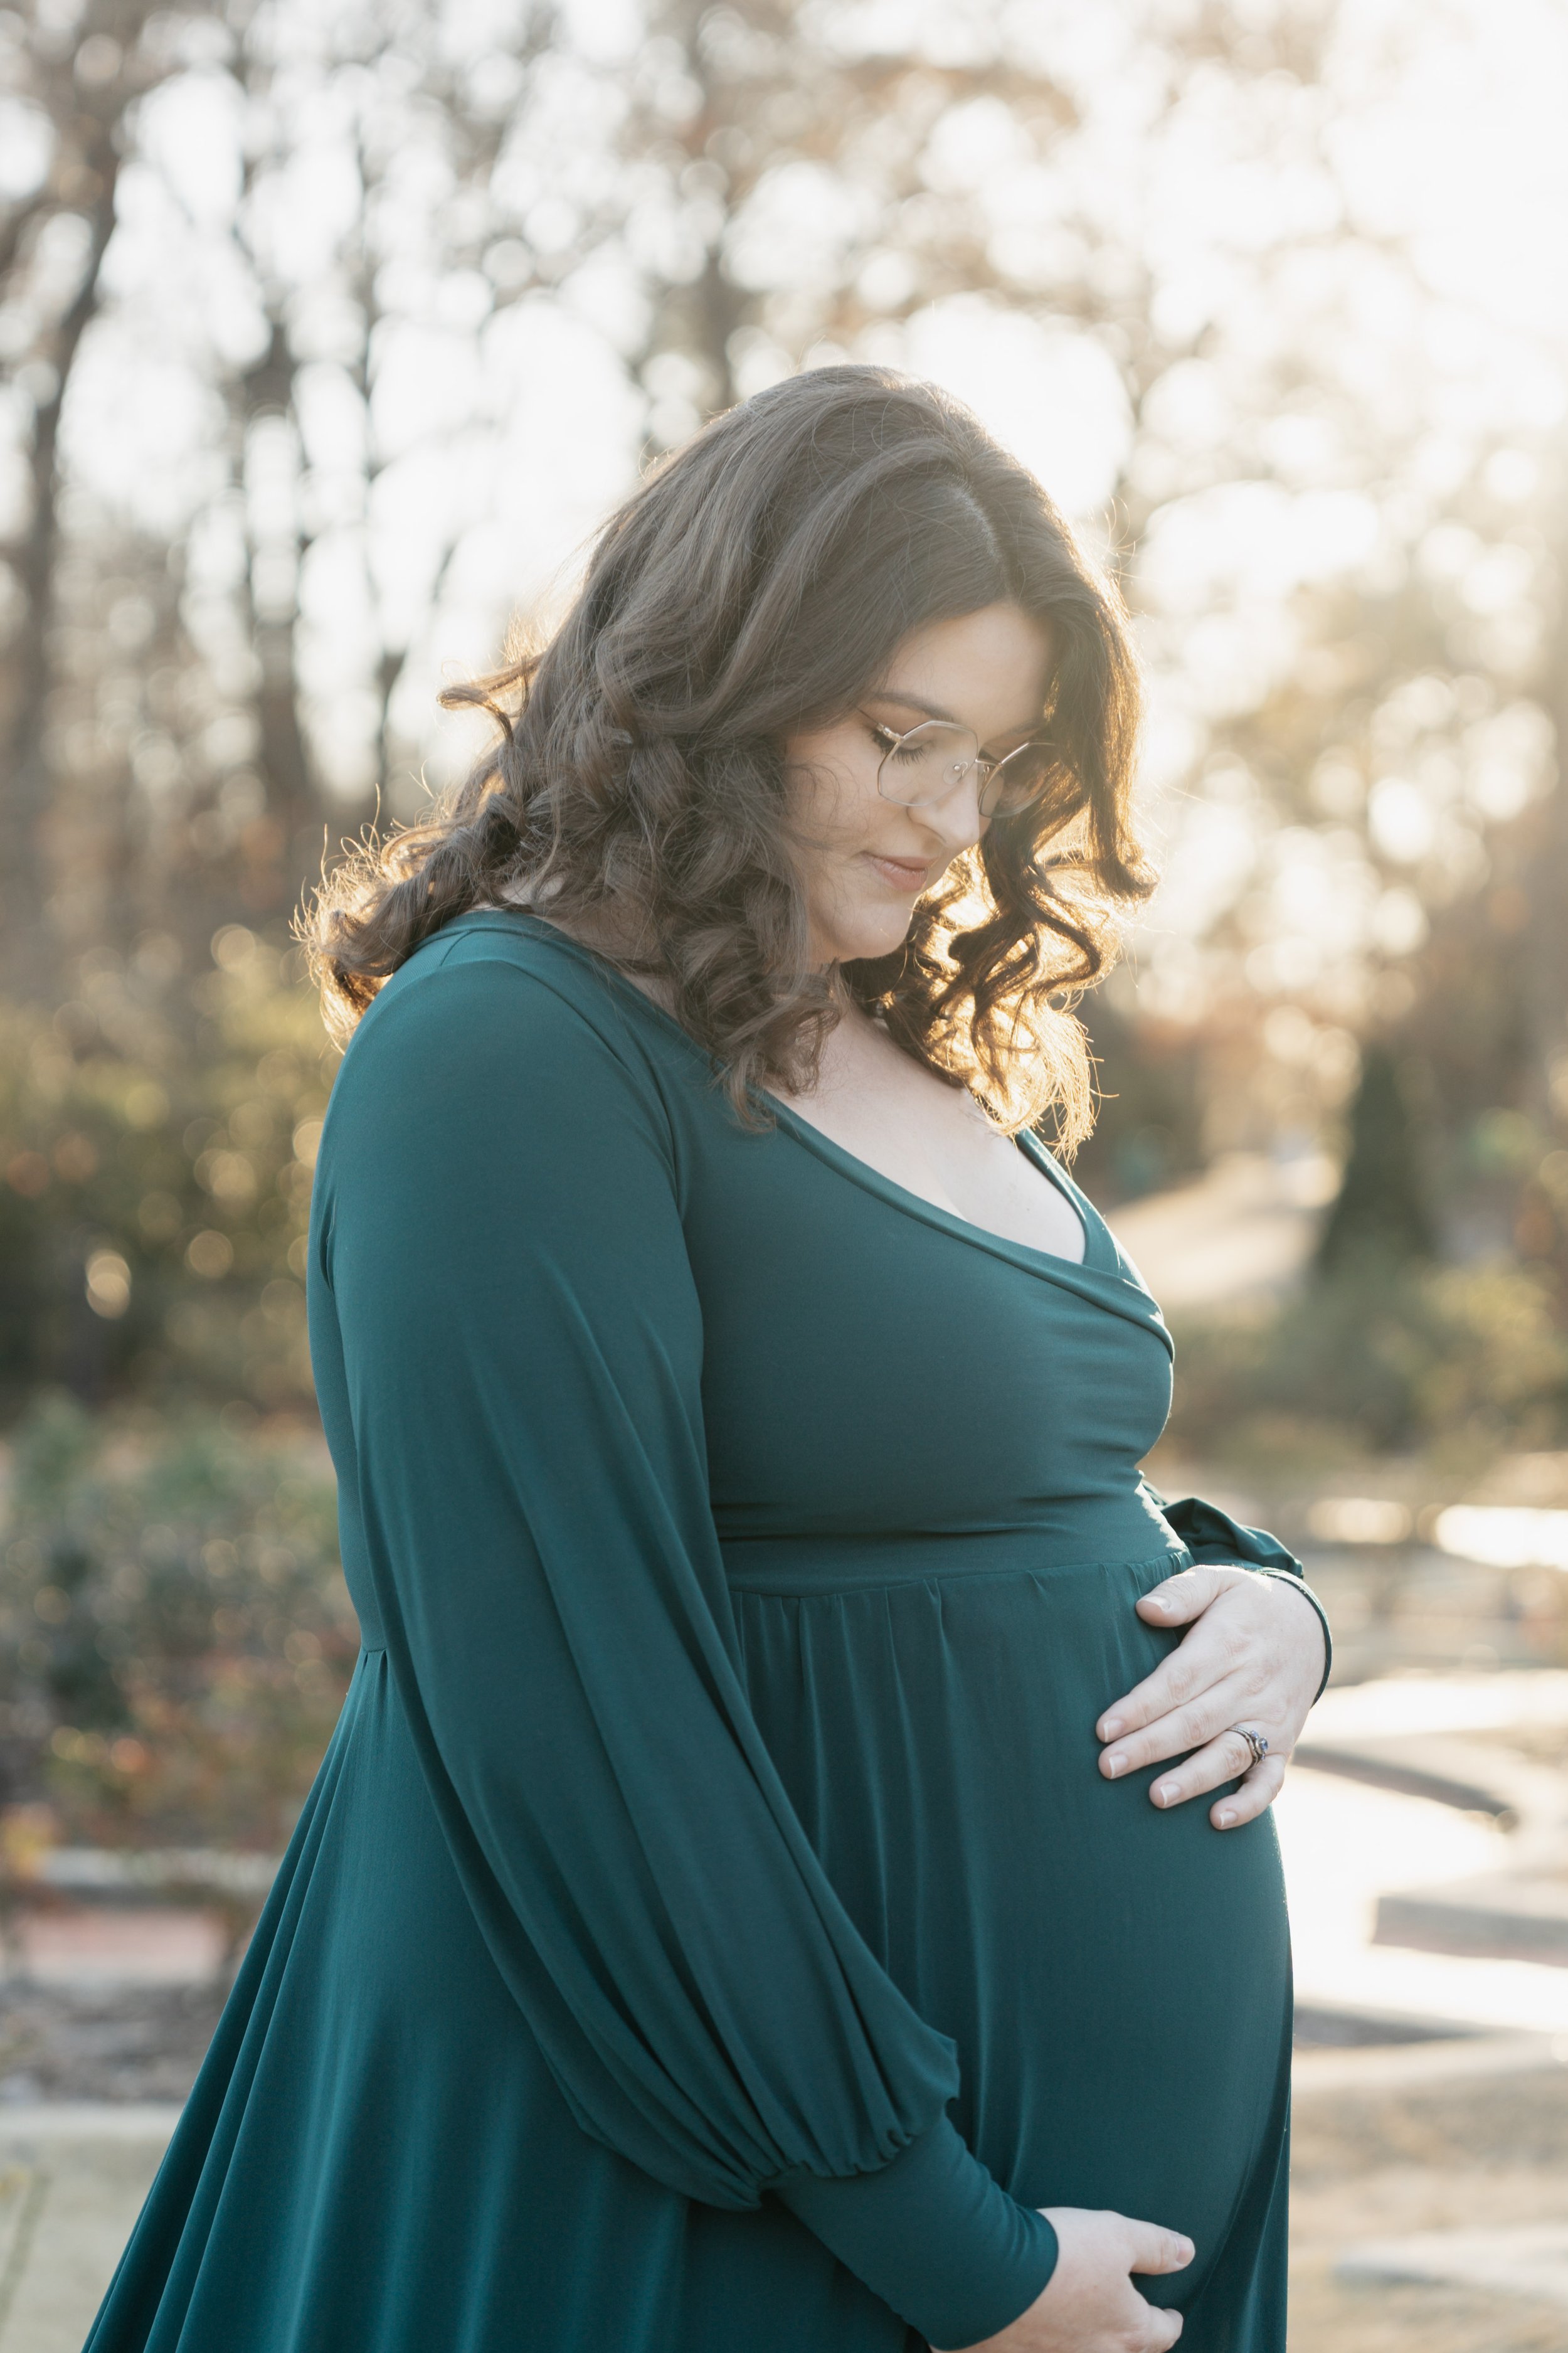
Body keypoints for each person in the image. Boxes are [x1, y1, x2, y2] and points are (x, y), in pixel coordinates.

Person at [85, 367, 1329, 2353]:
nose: (954, 820)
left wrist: (1260, 1602)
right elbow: (566, 1700)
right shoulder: (511, 1047)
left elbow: (987, 1476)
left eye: (993, 760)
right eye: (898, 737)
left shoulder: (888, 1028)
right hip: (741, 2205)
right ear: (717, 680)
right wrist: (949, 2246)